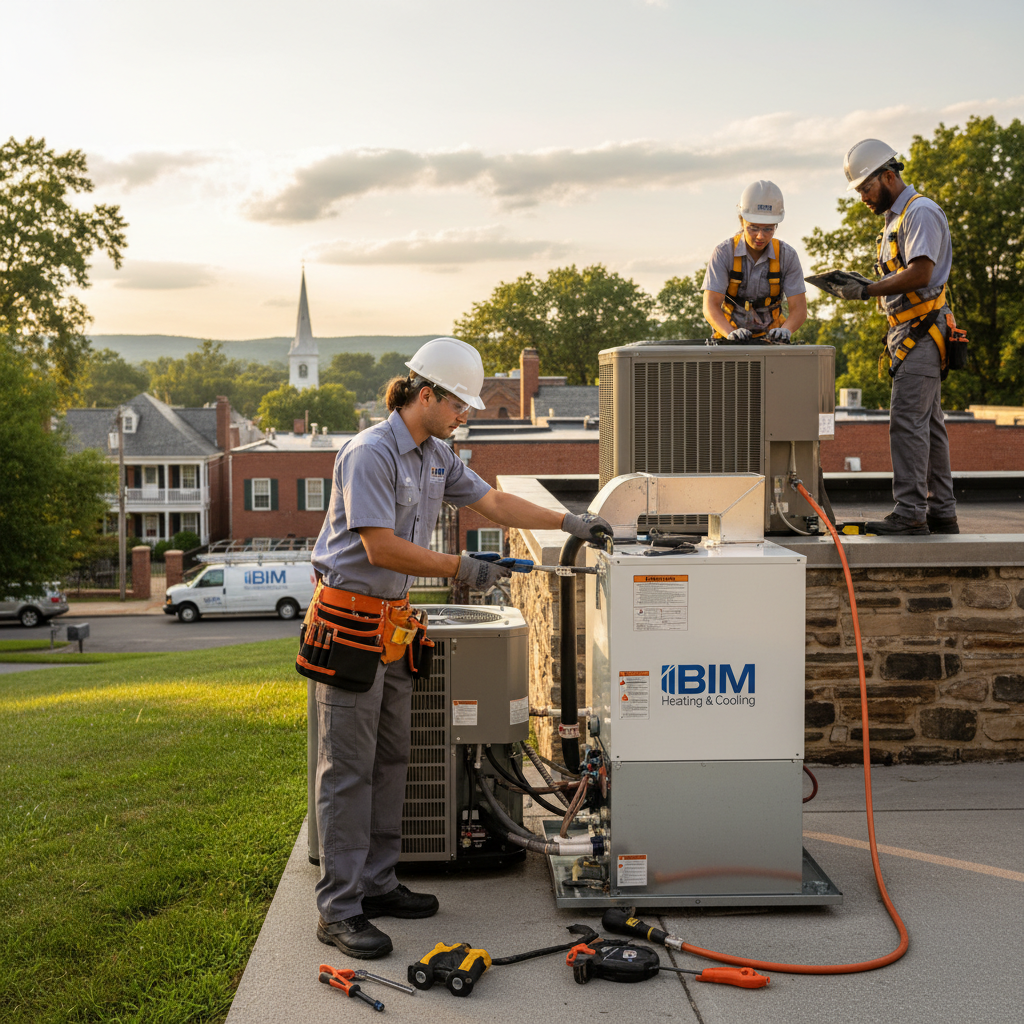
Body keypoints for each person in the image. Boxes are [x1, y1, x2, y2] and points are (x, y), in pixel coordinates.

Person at [306, 336, 612, 960]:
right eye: (459, 404)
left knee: (394, 761)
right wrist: (459, 567)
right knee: (347, 774)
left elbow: (492, 500)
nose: (465, 415)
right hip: (349, 631)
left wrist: (570, 521)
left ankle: (380, 882)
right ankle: (339, 910)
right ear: (426, 394)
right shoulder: (369, 454)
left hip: (392, 629)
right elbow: (379, 548)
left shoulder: (435, 455)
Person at [832, 139, 958, 535]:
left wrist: (868, 289)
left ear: (888, 176)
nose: (863, 199)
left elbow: (921, 273)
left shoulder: (918, 211)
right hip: (913, 332)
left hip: (922, 331)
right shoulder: (895, 219)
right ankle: (941, 511)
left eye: (866, 189)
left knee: (907, 423)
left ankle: (910, 513)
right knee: (928, 425)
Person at [701, 180, 807, 344]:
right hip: (729, 340)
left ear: (775, 226)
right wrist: (731, 333)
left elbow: (799, 308)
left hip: (772, 341)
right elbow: (710, 305)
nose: (760, 236)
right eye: (754, 228)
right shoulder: (724, 253)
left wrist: (786, 330)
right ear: (742, 221)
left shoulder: (787, 256)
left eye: (768, 229)